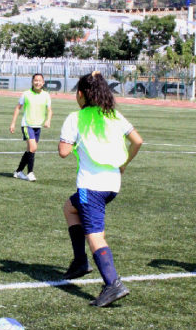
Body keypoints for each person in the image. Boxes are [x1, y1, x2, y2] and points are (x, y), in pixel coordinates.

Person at [58, 71, 142, 307]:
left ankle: (112, 283)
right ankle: (79, 262)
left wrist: (72, 142)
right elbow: (137, 141)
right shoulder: (113, 114)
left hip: (91, 186)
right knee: (69, 208)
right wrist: (124, 164)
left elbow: (64, 152)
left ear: (82, 94)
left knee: (94, 234)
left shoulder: (76, 118)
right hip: (112, 185)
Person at [10, 73, 52, 182]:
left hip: (38, 126)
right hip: (27, 124)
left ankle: (18, 171)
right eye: (35, 80)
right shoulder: (26, 94)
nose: (37, 82)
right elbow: (18, 108)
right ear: (32, 82)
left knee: (30, 150)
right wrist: (13, 123)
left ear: (43, 83)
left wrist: (48, 120)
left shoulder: (46, 95)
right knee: (33, 148)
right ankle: (30, 173)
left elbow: (50, 110)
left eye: (40, 81)